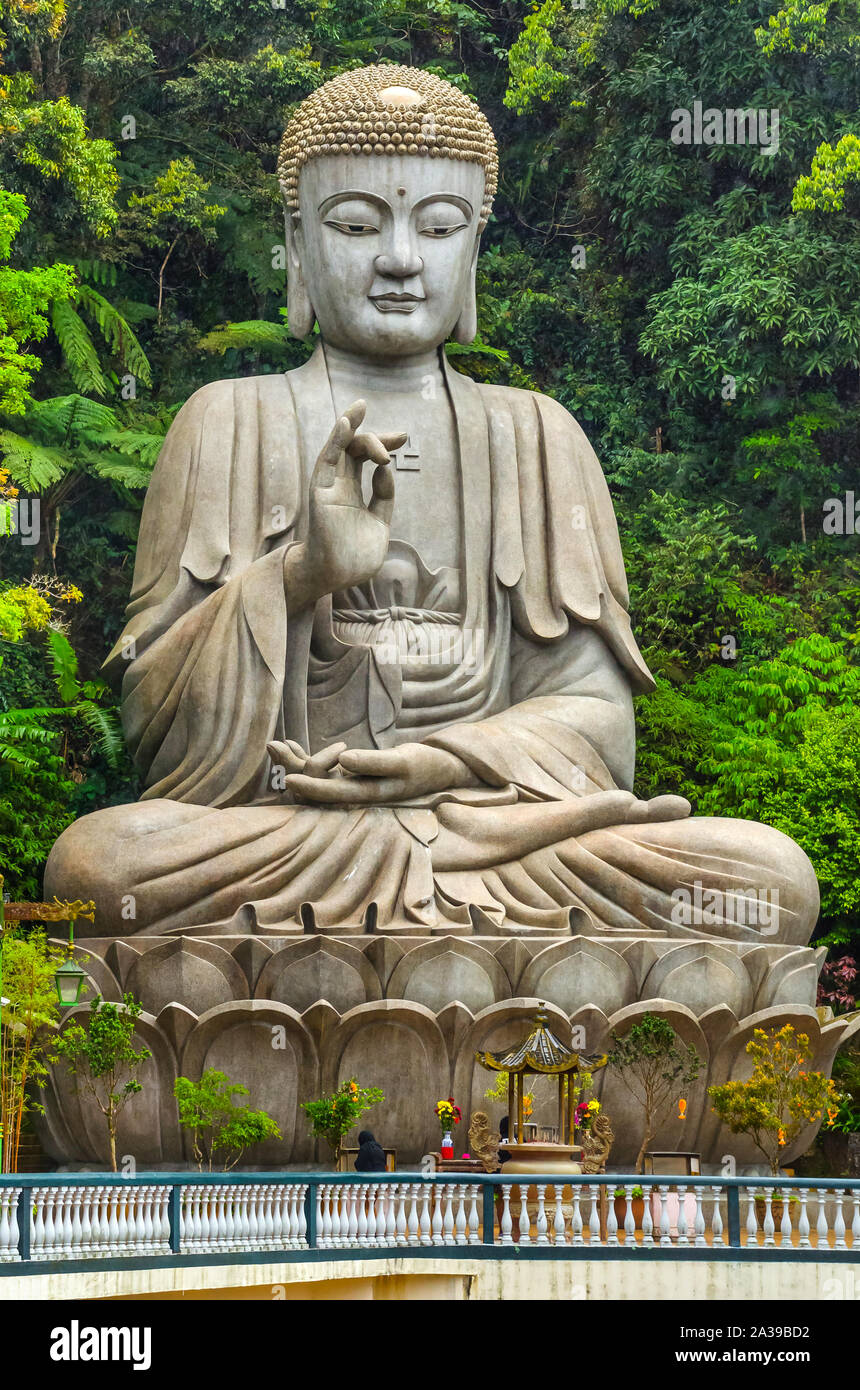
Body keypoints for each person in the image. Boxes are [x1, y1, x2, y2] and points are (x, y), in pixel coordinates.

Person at [45, 63, 819, 947]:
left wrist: (433, 764)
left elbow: (602, 730)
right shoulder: (225, 421)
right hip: (291, 829)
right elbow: (156, 730)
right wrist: (303, 575)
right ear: (296, 246)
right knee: (102, 868)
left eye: (440, 225)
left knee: (767, 881)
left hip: (496, 838)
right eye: (354, 224)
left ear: (473, 250)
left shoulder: (540, 436)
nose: (401, 258)